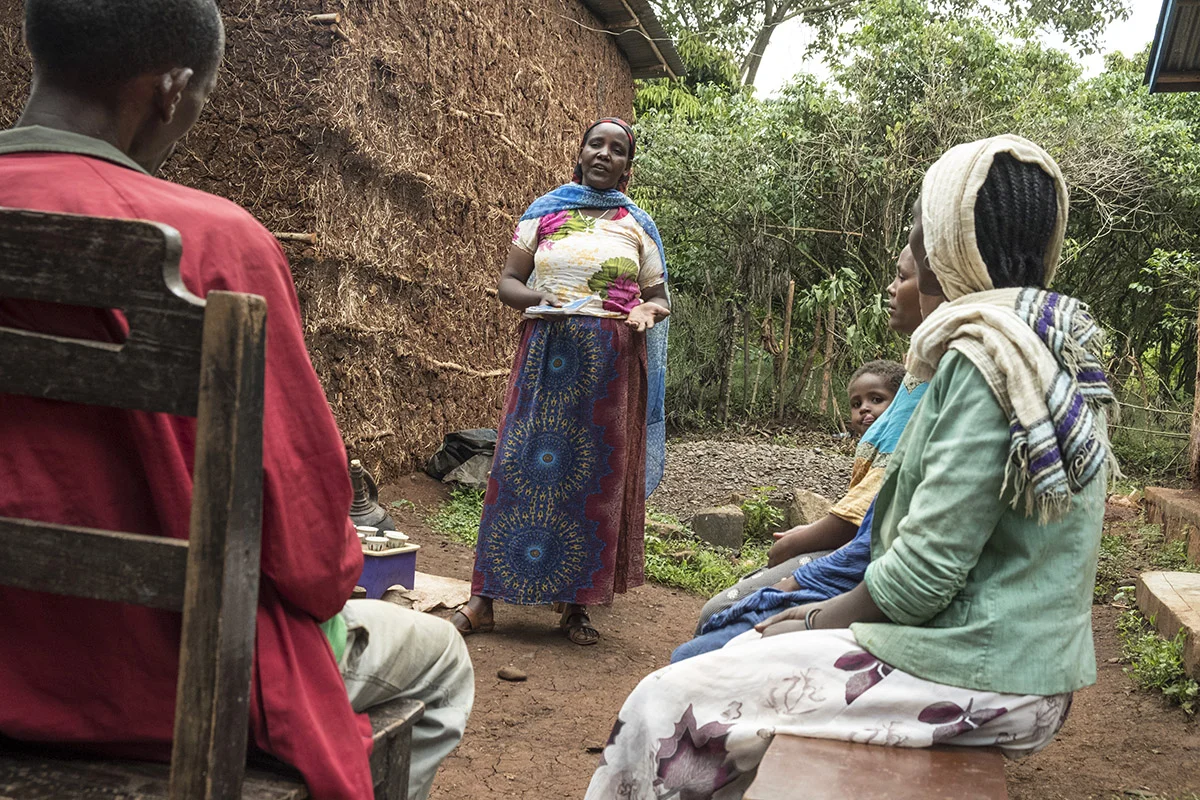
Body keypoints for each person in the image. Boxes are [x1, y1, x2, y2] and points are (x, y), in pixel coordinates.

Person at [0, 3, 472, 799]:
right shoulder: (214, 242)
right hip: (167, 685)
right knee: (440, 661)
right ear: (171, 89)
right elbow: (312, 554)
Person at [585, 134, 1118, 800]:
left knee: (664, 706)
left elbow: (919, 579)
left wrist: (806, 619)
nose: (915, 245)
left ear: (951, 242)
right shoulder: (1046, 343)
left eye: (925, 226)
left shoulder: (985, 360)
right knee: (733, 677)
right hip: (1018, 664)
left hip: (976, 670)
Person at [452, 118, 670, 646]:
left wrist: (645, 312)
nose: (604, 154)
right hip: (545, 354)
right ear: (580, 152)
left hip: (611, 365)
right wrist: (538, 300)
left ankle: (577, 607)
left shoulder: (636, 225)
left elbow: (660, 297)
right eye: (597, 144)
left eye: (617, 150)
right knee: (517, 467)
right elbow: (507, 283)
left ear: (626, 165)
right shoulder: (544, 213)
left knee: (594, 480)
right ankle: (484, 600)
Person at [677, 249, 934, 660]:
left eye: (901, 276)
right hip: (858, 556)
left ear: (938, 284)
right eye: (856, 403)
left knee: (718, 614)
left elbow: (872, 524)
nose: (890, 287)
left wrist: (804, 556)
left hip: (863, 564)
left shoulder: (934, 394)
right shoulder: (919, 373)